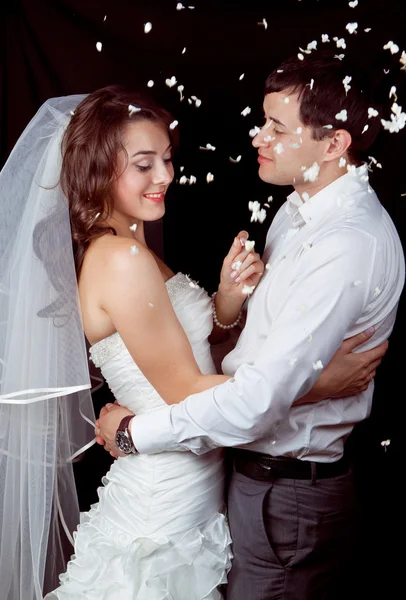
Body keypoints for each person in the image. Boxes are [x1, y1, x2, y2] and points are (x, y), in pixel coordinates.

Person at [0, 84, 385, 600]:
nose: (164, 176)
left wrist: (225, 302)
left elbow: (186, 346)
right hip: (164, 500)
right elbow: (186, 390)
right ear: (97, 169)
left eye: (166, 158)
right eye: (143, 164)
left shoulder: (130, 244)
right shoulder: (121, 259)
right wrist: (316, 384)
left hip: (196, 485)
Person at [97, 52, 405, 599]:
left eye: (277, 127)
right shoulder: (296, 210)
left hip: (285, 496)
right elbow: (255, 361)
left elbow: (257, 399)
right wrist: (234, 309)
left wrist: (131, 432)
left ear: (333, 144)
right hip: (237, 482)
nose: (258, 135)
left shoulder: (344, 243)